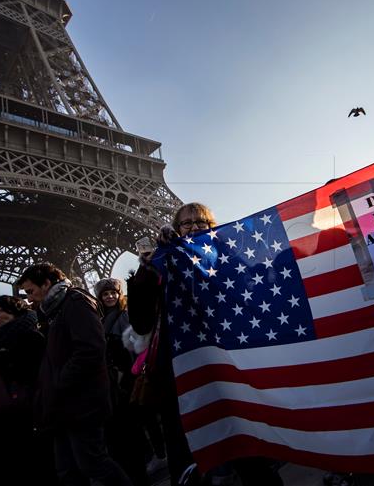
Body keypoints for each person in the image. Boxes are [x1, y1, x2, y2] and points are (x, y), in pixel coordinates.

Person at [127, 203, 284, 486]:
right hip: (181, 368)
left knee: (244, 440)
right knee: (186, 449)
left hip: (227, 361)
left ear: (213, 226)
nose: (194, 227)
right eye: (186, 224)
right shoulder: (163, 265)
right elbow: (141, 322)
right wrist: (150, 268)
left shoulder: (229, 258)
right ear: (175, 230)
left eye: (201, 222)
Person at [17, 262, 133, 486]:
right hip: (64, 401)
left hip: (80, 399)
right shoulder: (52, 310)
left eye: (31, 291)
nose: (29, 299)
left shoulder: (74, 302)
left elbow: (90, 348)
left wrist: (60, 381)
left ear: (47, 283)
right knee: (68, 469)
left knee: (92, 463)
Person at [0, 295, 53, 485]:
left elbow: (36, 371)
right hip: (3, 411)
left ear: (14, 312)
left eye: (0, 311)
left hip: (28, 408)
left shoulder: (30, 336)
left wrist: (4, 360)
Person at [95, 277, 151, 486]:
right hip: (115, 375)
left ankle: (149, 455)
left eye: (112, 293)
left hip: (129, 371)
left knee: (138, 417)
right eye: (105, 294)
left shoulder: (124, 315)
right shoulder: (100, 319)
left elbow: (137, 341)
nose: (109, 297)